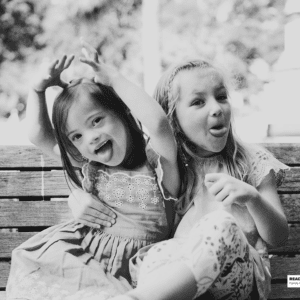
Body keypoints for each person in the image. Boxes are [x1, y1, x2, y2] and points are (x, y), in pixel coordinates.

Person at [74, 58, 289, 300]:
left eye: (221, 96)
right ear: (173, 119)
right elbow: (98, 164)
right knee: (156, 254)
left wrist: (253, 198)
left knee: (221, 225)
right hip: (185, 286)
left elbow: (278, 237)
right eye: (198, 102)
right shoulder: (168, 165)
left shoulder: (251, 160)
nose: (216, 108)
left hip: (240, 278)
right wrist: (78, 195)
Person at [6, 40, 179, 300]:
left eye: (96, 120)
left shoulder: (157, 163)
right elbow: (38, 134)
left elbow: (158, 124)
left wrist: (114, 79)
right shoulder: (91, 166)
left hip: (138, 269)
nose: (91, 138)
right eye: (76, 136)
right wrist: (37, 89)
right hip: (82, 260)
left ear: (123, 114)